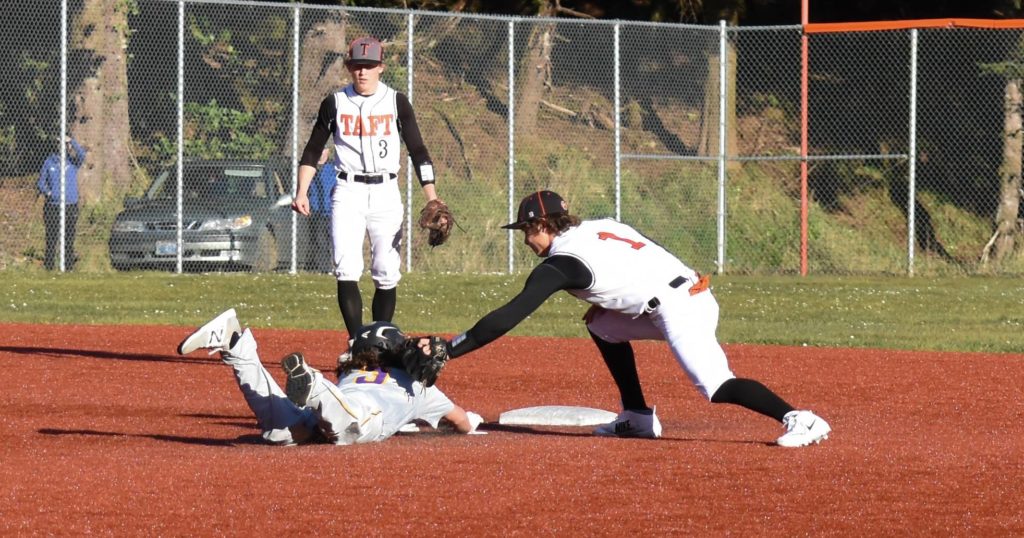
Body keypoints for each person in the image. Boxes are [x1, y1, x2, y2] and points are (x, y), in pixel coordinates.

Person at [423, 190, 831, 447]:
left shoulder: (560, 264)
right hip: (681, 291)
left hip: (681, 307)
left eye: (528, 231)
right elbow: (648, 248)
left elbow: (507, 317)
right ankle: (636, 416)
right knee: (599, 322)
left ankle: (800, 418)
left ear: (544, 225)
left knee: (716, 385)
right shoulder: (602, 226)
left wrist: (450, 349)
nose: (527, 240)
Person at [291, 36, 443, 363]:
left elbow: (418, 150)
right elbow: (313, 149)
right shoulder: (335, 103)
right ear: (349, 68)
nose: (363, 72)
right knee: (346, 267)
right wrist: (302, 190)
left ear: (381, 68)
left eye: (369, 66)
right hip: (348, 191)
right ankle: (358, 345)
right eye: (357, 66)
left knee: (386, 270)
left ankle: (381, 343)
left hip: (387, 191)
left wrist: (432, 196)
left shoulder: (396, 101)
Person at [177, 309, 484, 445]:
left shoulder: (352, 368)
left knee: (284, 431)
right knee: (352, 426)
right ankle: (315, 386)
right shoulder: (421, 390)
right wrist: (471, 421)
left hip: (332, 406)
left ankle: (237, 347)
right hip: (362, 412)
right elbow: (461, 421)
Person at [37, 135, 86, 270]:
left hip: (70, 205)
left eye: (65, 144)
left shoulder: (73, 162)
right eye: (60, 143)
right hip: (53, 206)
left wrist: (71, 141)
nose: (63, 146)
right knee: (52, 238)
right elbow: (41, 183)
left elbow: (82, 155)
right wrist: (50, 193)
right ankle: (49, 266)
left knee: (69, 238)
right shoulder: (49, 162)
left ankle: (68, 267)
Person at [306, 147, 336, 273]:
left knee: (331, 240)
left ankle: (332, 267)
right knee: (318, 240)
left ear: (328, 152)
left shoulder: (334, 168)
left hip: (331, 211)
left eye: (323, 150)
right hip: (316, 211)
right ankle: (320, 268)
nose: (320, 153)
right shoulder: (310, 168)